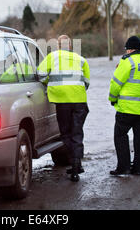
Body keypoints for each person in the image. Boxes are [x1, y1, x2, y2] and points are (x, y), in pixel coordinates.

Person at [37, 35, 90, 182]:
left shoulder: (52, 57)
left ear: (58, 46)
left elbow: (40, 75)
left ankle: (74, 165)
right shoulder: (81, 59)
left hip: (62, 102)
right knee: (77, 133)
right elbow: (86, 82)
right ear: (71, 46)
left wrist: (50, 82)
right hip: (80, 101)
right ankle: (76, 164)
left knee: (66, 134)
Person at [108, 36, 140, 176]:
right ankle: (138, 169)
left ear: (129, 49)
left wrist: (112, 99)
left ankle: (123, 167)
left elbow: (115, 84)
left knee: (120, 136)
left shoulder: (127, 62)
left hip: (126, 108)